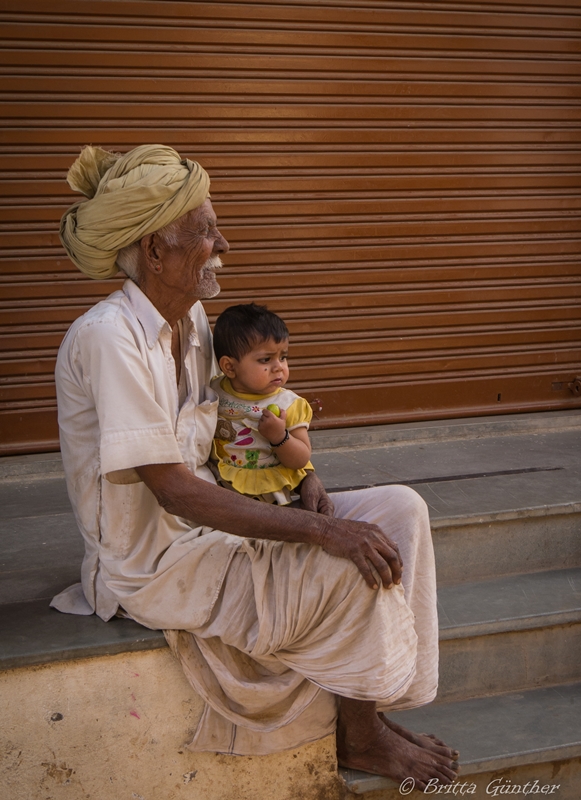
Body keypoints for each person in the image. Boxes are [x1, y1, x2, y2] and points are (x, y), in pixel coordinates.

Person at [53, 143, 459, 790]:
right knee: (347, 554)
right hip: (156, 567)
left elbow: (229, 425)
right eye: (204, 232)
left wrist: (305, 480)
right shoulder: (109, 338)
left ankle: (371, 710)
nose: (223, 244)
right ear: (154, 250)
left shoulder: (186, 319)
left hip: (217, 527)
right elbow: (174, 491)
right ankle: (360, 736)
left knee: (399, 510)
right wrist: (322, 530)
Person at [210, 303, 321, 506]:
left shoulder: (288, 404)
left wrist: (280, 437)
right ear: (229, 366)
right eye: (266, 359)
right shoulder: (214, 391)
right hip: (220, 487)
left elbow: (301, 459)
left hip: (269, 496)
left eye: (283, 357)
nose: (279, 367)